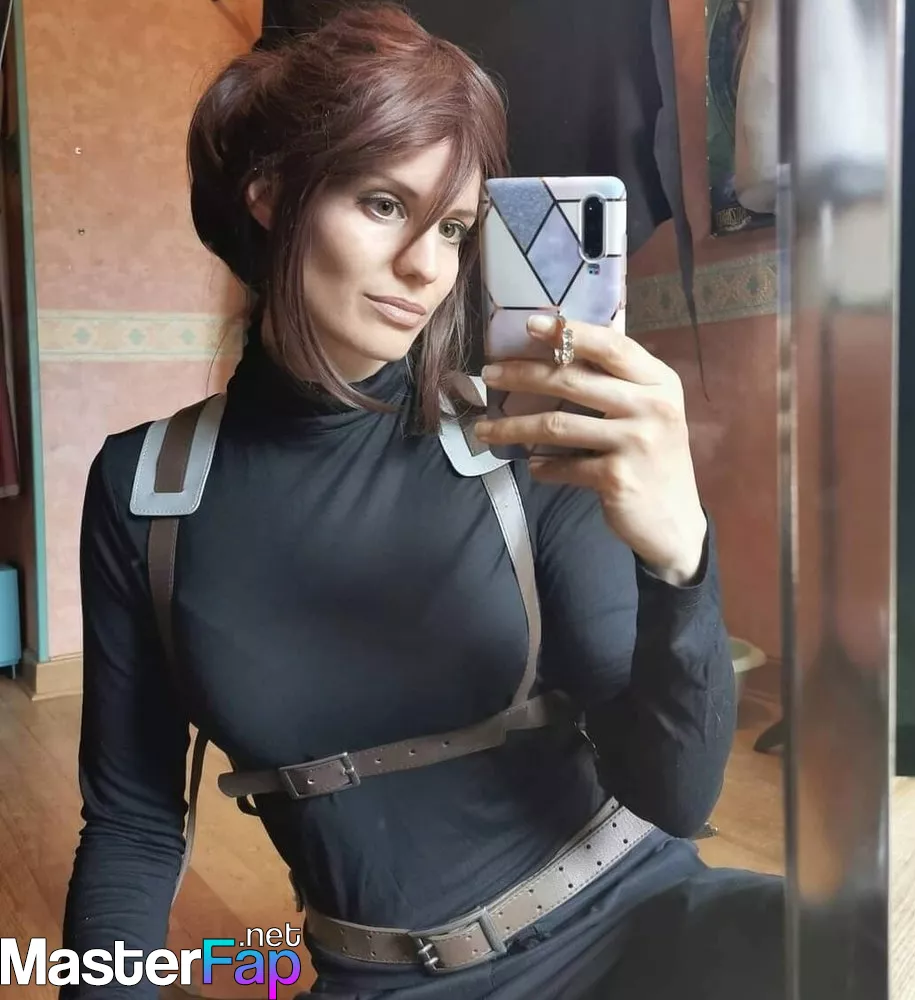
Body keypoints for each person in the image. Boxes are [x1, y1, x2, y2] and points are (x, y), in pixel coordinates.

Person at [61, 5, 784, 998]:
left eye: (452, 227)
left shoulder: (520, 437)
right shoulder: (146, 491)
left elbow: (676, 794)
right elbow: (134, 825)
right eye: (383, 204)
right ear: (269, 194)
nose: (427, 267)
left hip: (631, 924)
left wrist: (679, 562)